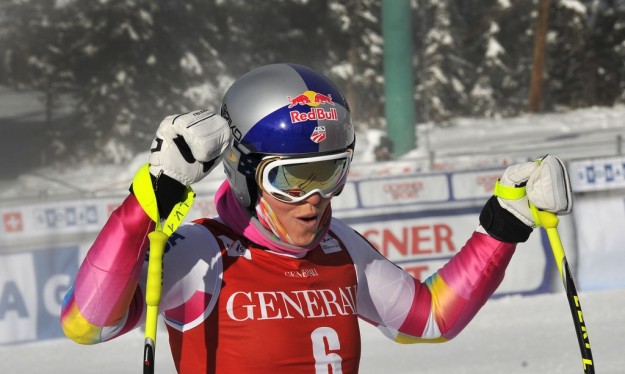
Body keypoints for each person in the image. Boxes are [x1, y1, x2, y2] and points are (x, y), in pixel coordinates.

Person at [60, 63, 572, 373]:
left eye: (330, 172)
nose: (316, 199)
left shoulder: (339, 249)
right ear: (245, 174)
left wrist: (505, 223)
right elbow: (85, 324)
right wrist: (144, 204)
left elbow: (431, 318)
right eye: (292, 179)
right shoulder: (200, 253)